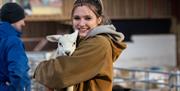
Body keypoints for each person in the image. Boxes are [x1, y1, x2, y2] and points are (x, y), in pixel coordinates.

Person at [33, 0, 126, 91]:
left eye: (88, 18)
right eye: (77, 18)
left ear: (99, 19)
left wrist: (39, 68)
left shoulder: (99, 43)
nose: (81, 24)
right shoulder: (79, 41)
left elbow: (61, 74)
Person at [0, 2, 31, 91]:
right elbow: (18, 72)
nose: (24, 23)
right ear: (14, 19)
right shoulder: (13, 41)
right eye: (22, 19)